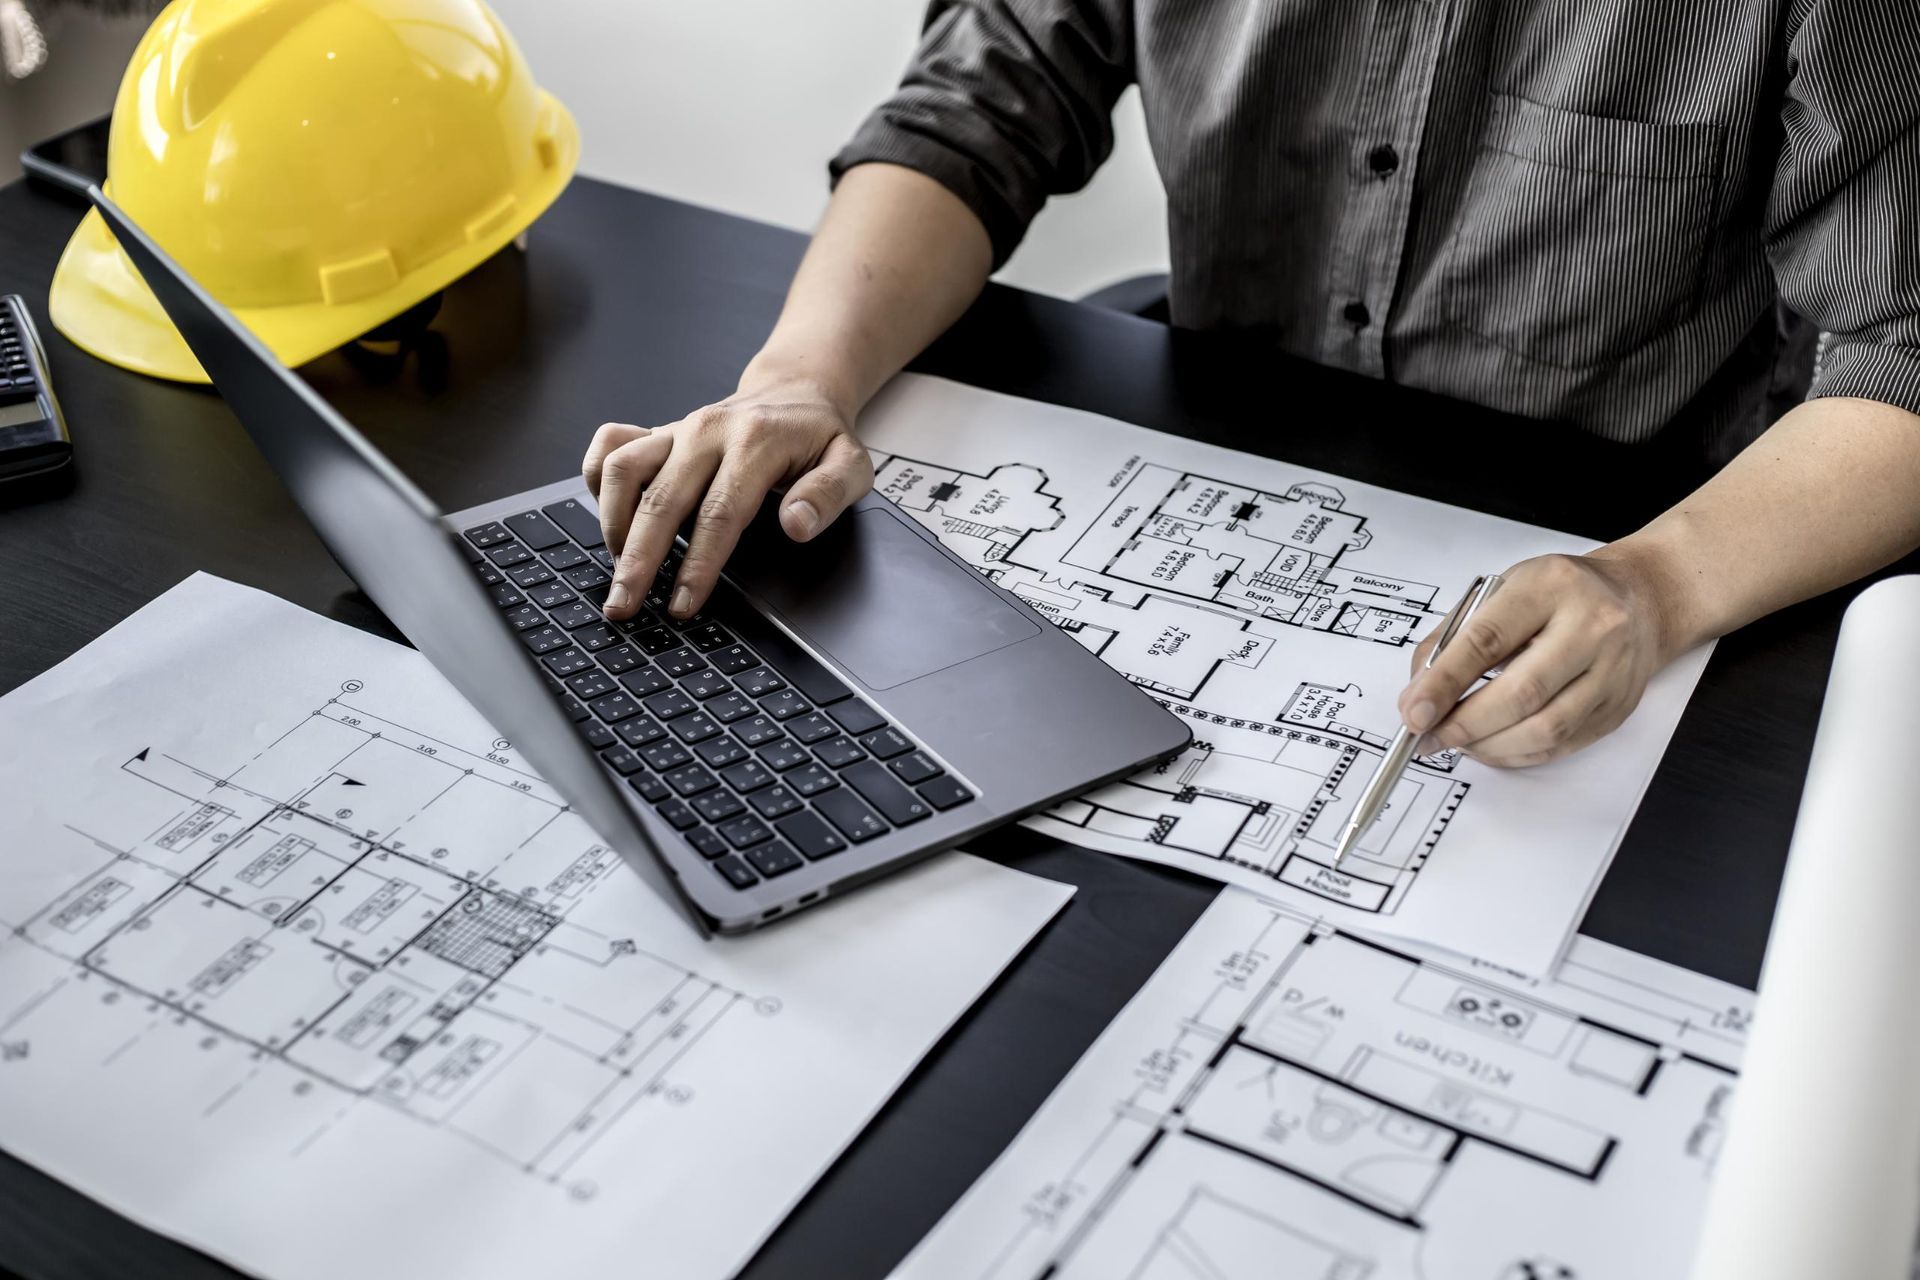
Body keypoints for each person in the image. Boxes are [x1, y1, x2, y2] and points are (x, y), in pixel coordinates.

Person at [584, 1, 1920, 768]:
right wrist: (798, 378)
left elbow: (1908, 346)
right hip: (1217, 453)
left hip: (1637, 532)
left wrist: (1657, 584)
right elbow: (976, 105)